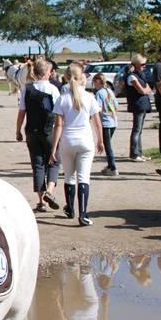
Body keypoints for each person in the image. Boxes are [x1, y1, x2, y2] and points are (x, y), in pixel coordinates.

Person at [49, 62, 104, 226]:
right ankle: (83, 214)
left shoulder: (62, 99)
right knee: (83, 177)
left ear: (66, 77)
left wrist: (54, 147)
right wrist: (100, 140)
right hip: (85, 140)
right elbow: (97, 123)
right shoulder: (90, 97)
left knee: (69, 177)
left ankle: (70, 209)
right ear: (82, 78)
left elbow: (58, 126)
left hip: (67, 141)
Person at [15, 57, 60, 212]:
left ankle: (41, 201)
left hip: (32, 131)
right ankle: (50, 191)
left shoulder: (26, 89)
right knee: (54, 161)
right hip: (49, 130)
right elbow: (59, 113)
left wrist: (18, 130)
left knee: (37, 164)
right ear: (47, 72)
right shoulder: (53, 89)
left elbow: (22, 112)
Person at [124, 54, 152, 161]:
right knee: (136, 129)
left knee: (139, 130)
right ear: (136, 64)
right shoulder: (132, 77)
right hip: (137, 105)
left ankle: (139, 152)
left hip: (143, 104)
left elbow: (148, 88)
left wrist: (146, 90)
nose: (145, 66)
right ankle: (134, 154)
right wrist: (146, 90)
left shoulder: (140, 76)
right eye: (142, 64)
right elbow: (142, 90)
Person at [92, 72, 119, 176]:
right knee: (108, 144)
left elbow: (97, 108)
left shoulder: (99, 93)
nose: (94, 85)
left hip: (105, 122)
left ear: (97, 81)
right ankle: (109, 166)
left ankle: (113, 168)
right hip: (113, 121)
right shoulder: (109, 91)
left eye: (94, 82)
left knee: (107, 146)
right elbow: (116, 106)